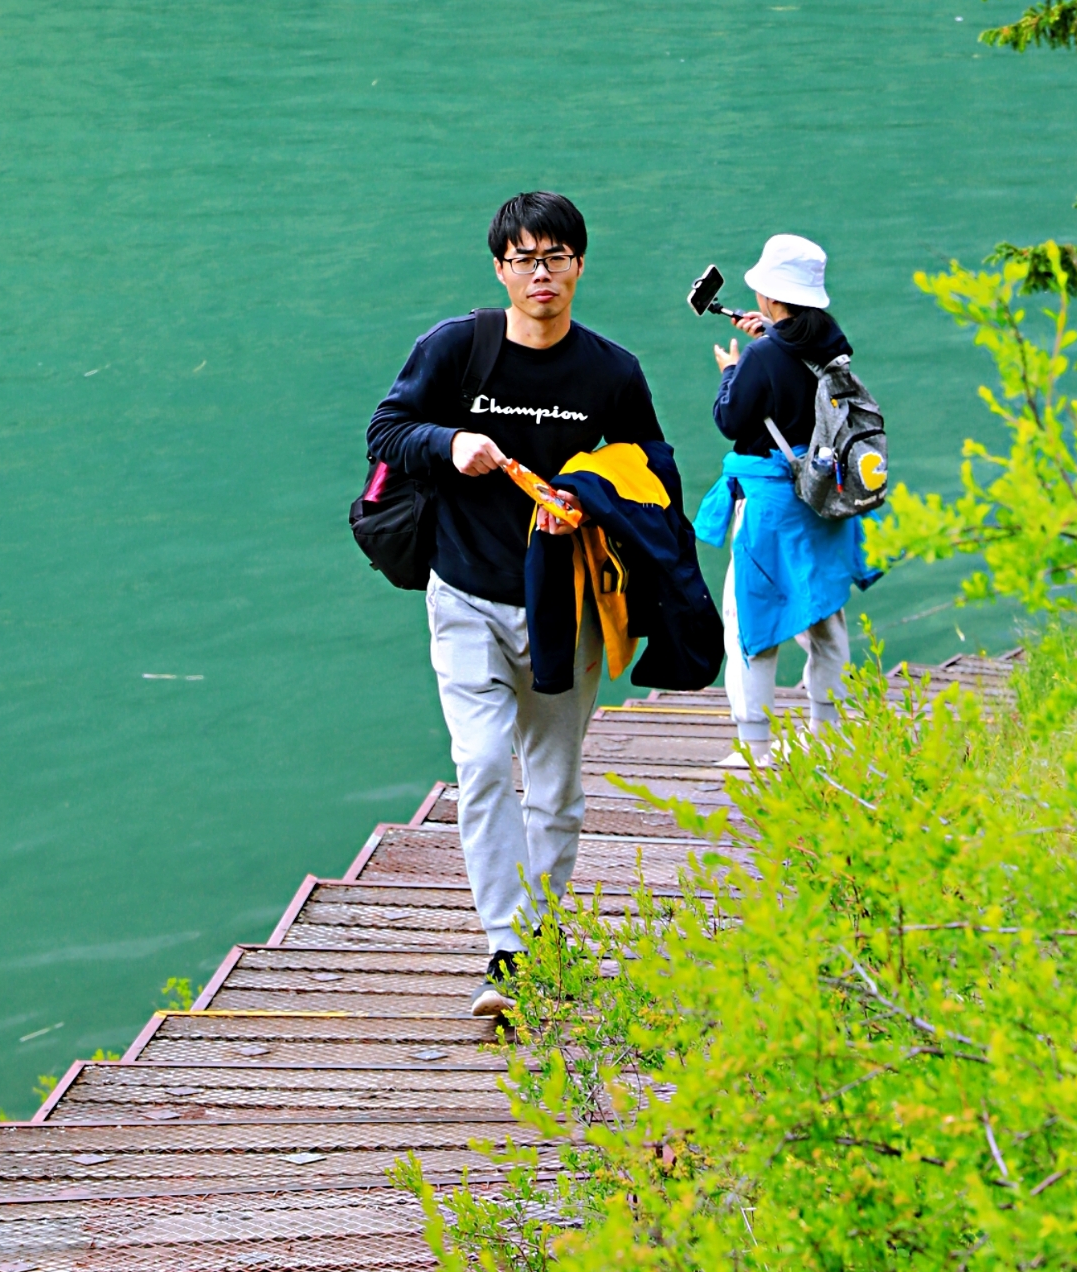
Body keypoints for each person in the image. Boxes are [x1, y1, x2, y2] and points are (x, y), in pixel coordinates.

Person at [365, 190, 661, 1020]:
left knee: (557, 785)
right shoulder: (458, 350)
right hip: (464, 595)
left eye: (557, 257)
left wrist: (594, 493)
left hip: (566, 603)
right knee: (485, 765)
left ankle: (543, 927)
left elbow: (653, 464)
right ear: (500, 268)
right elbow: (388, 430)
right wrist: (450, 443)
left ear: (579, 265)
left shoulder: (611, 371)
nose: (543, 274)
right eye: (525, 259)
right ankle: (508, 949)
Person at [698, 230, 880, 752]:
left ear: (772, 296)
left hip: (773, 507)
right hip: (826, 498)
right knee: (824, 613)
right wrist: (765, 340)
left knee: (752, 622)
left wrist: (732, 370)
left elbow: (731, 420)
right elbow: (797, 371)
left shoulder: (760, 357)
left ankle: (755, 749)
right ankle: (830, 740)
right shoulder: (832, 343)